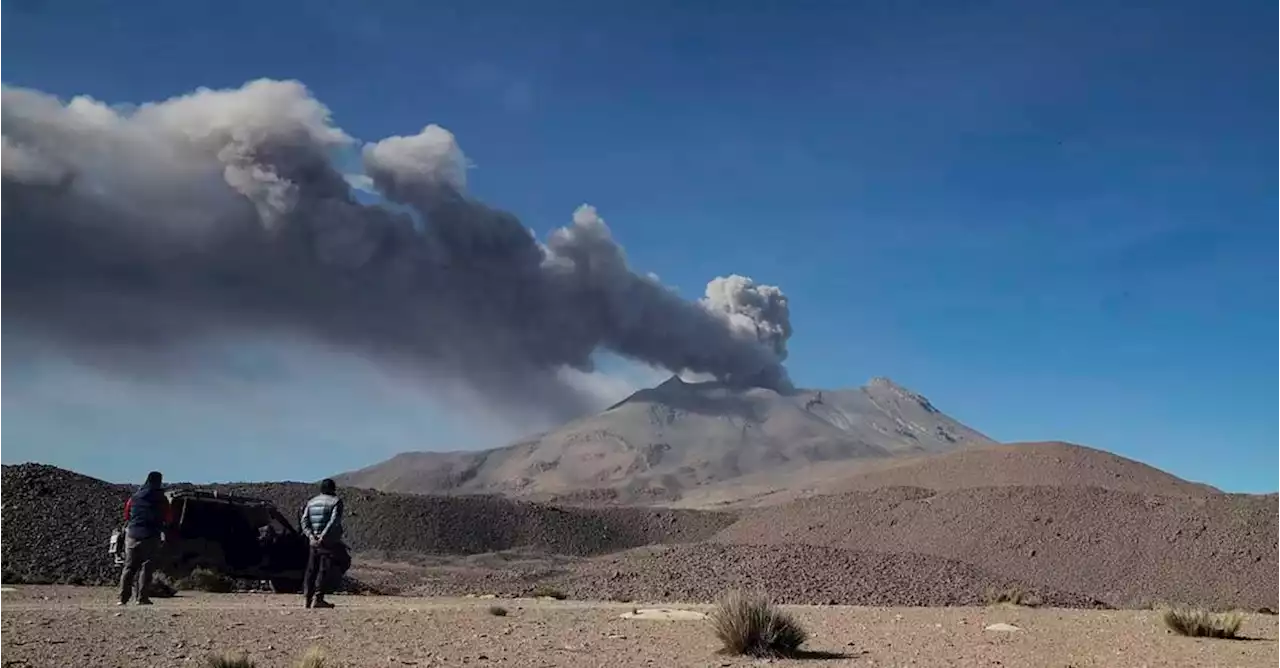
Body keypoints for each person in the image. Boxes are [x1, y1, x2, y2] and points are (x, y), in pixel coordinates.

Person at [119, 470, 172, 606]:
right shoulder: (162, 499)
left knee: (129, 567)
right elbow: (168, 518)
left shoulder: (135, 497)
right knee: (146, 567)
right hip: (151, 535)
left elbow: (126, 515)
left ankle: (122, 598)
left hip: (132, 535)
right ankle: (141, 598)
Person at [300, 478, 344, 609]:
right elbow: (334, 520)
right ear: (332, 489)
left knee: (311, 569)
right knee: (323, 569)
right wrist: (323, 536)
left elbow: (304, 521)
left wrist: (311, 536)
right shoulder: (336, 502)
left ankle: (307, 598)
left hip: (313, 541)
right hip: (327, 541)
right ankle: (318, 599)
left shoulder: (311, 502)